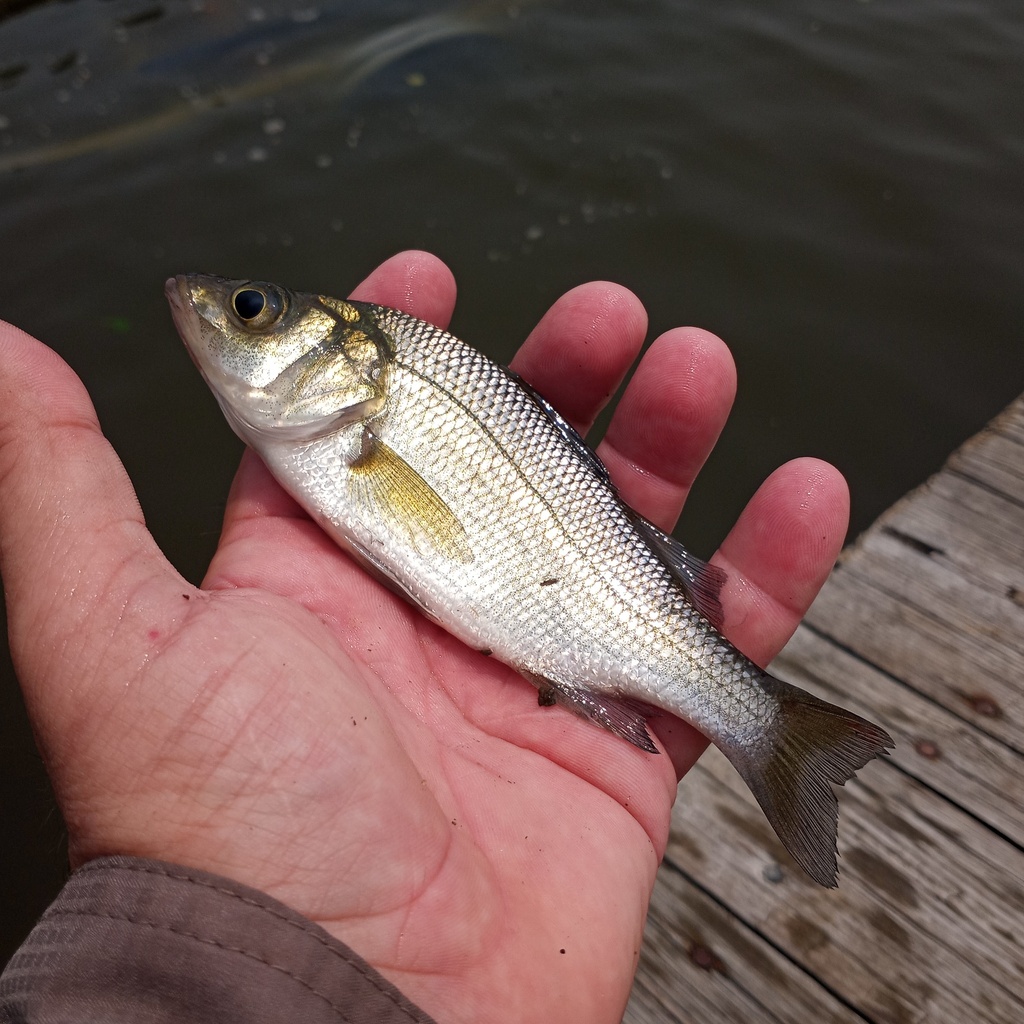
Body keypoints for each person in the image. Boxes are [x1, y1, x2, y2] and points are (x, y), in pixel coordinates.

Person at [0, 251, 849, 1023]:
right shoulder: (345, 423)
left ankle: (770, 727)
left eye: (253, 309)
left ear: (348, 365)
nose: (208, 307)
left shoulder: (371, 405)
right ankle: (768, 725)